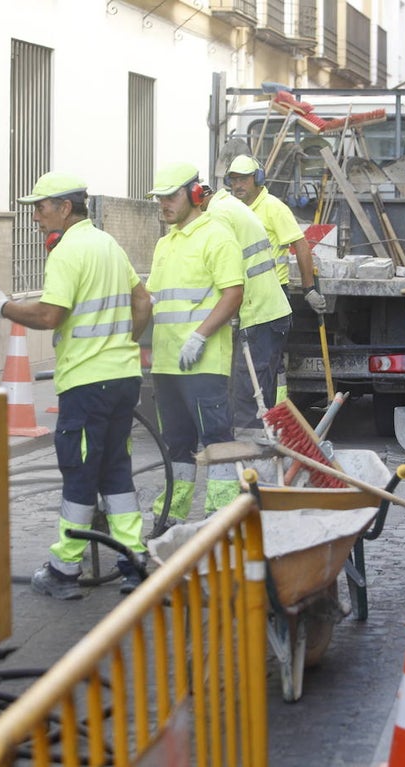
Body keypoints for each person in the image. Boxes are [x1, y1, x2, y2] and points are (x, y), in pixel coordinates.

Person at [0, 172, 153, 599]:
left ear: (64, 207)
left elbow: (48, 316)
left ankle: (64, 569)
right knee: (116, 471)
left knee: (79, 473)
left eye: (40, 208)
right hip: (122, 379)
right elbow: (143, 301)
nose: (36, 217)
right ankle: (134, 562)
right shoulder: (108, 244)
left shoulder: (67, 252)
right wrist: (121, 343)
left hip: (86, 384)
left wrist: (4, 306)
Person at [146, 162, 244, 521]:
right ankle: (171, 514)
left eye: (170, 197)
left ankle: (222, 517)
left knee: (217, 441)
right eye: (160, 199)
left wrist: (200, 336)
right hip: (167, 363)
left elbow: (233, 293)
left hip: (202, 362)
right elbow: (155, 299)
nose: (164, 205)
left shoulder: (216, 235)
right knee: (177, 445)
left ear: (195, 194)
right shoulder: (164, 244)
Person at [225, 154, 324, 403]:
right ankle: (267, 417)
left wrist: (308, 288)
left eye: (244, 179)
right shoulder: (233, 209)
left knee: (263, 366)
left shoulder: (273, 208)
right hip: (244, 295)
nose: (238, 185)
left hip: (271, 295)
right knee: (253, 366)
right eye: (234, 179)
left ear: (257, 179)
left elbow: (300, 245)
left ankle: (269, 418)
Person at [198, 184, 292, 431]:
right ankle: (265, 451)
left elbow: (223, 269)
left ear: (198, 198)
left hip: (258, 312)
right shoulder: (230, 205)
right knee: (261, 397)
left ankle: (250, 462)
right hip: (270, 311)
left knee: (249, 398)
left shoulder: (218, 214)